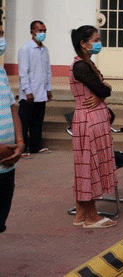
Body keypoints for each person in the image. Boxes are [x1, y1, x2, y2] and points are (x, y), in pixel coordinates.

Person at [69, 25, 117, 228]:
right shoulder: (80, 66)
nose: (99, 43)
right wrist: (104, 91)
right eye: (95, 40)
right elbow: (102, 89)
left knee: (88, 165)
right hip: (88, 120)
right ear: (83, 43)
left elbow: (102, 90)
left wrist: (102, 92)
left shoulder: (88, 63)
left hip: (95, 118)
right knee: (88, 166)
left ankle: (81, 213)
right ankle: (92, 217)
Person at [0, 23, 24, 233]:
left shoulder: (1, 72)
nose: (1, 40)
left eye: (1, 34)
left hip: (7, 165)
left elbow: (11, 108)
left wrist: (20, 142)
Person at [17, 20, 53, 156]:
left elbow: (47, 71)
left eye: (44, 31)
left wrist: (48, 89)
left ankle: (35, 146)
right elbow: (23, 72)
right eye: (40, 31)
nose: (43, 33)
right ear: (32, 32)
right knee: (24, 122)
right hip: (29, 94)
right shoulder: (25, 49)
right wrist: (28, 91)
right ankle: (23, 148)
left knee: (37, 121)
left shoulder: (45, 50)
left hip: (41, 92)